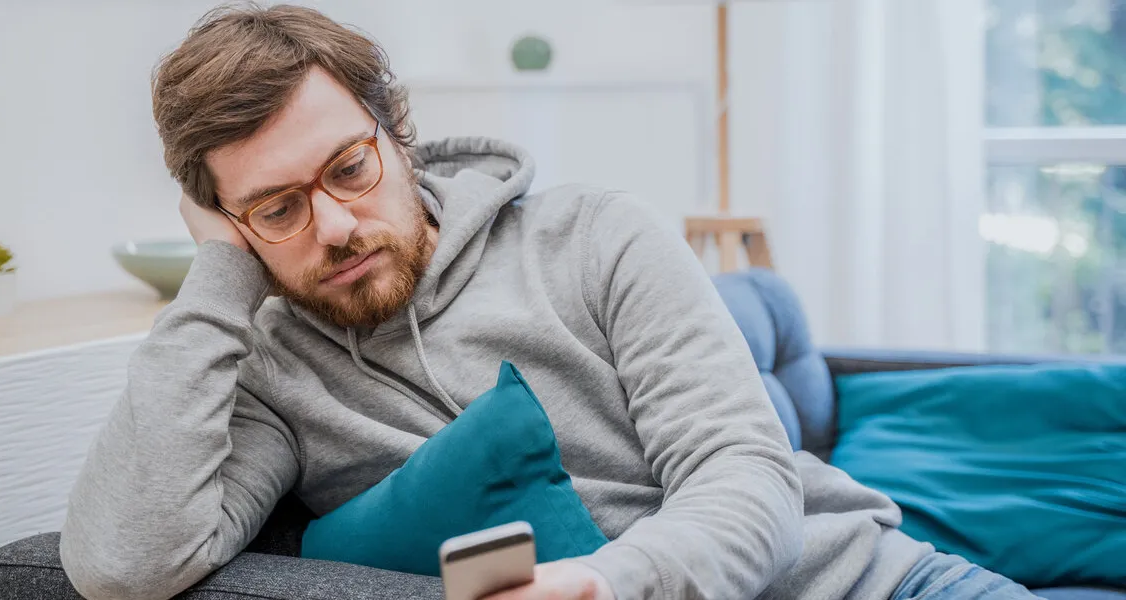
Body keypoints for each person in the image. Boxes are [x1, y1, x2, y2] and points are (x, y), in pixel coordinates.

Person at [59, 5, 1041, 600]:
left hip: (873, 584)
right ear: (228, 224)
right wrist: (221, 280)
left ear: (398, 134)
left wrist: (610, 583)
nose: (337, 226)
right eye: (277, 208)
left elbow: (743, 478)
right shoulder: (275, 372)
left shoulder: (594, 235)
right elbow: (121, 567)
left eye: (350, 168)